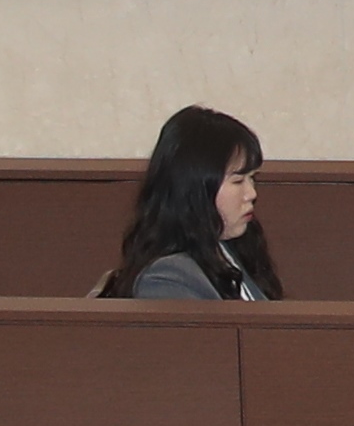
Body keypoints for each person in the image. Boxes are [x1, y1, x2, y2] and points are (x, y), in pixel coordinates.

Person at [107, 105, 284, 301]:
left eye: (252, 178)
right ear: (195, 188)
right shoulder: (167, 278)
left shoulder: (232, 249)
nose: (251, 194)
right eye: (238, 181)